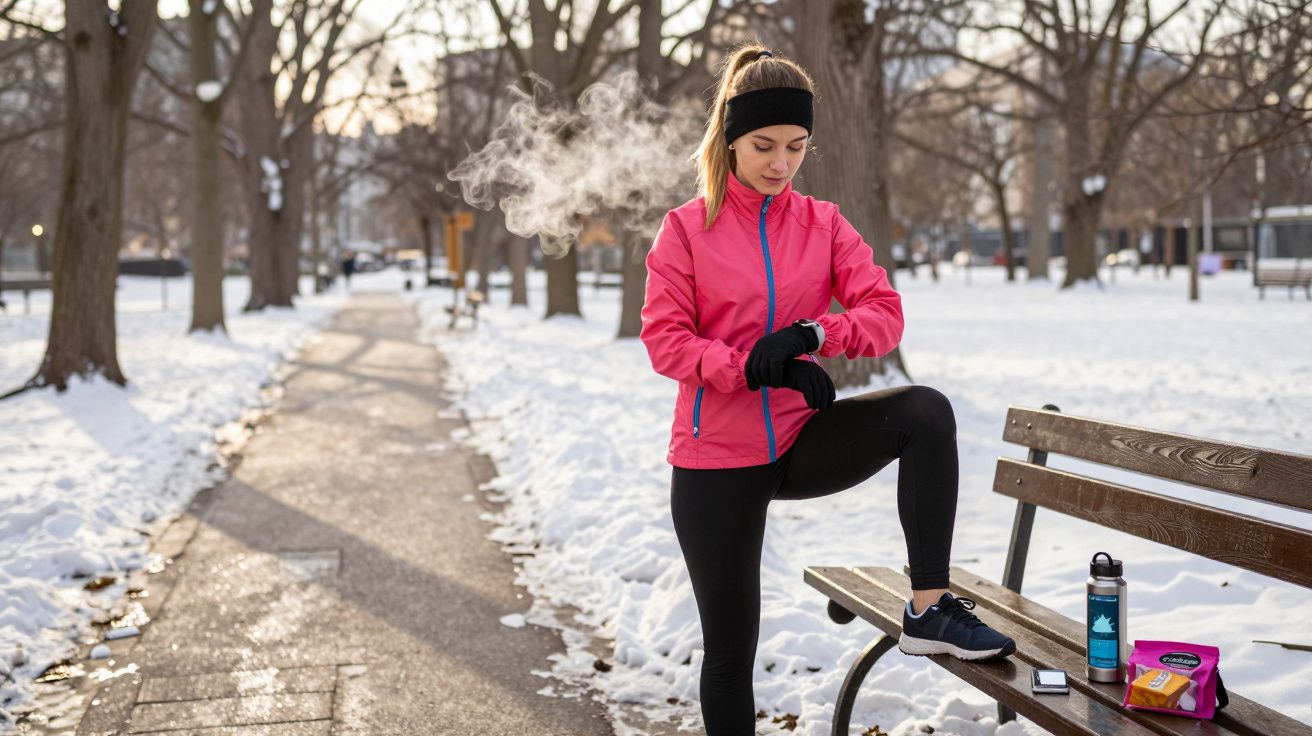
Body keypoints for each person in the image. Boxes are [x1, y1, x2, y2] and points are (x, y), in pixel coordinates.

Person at [639, 43, 1015, 735]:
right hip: (716, 458)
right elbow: (666, 342)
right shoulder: (686, 231)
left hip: (800, 439)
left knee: (926, 412)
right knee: (730, 653)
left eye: (796, 146)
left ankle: (929, 605)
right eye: (763, 146)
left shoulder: (823, 224)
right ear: (729, 140)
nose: (780, 164)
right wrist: (756, 364)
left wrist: (813, 337)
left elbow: (884, 314)